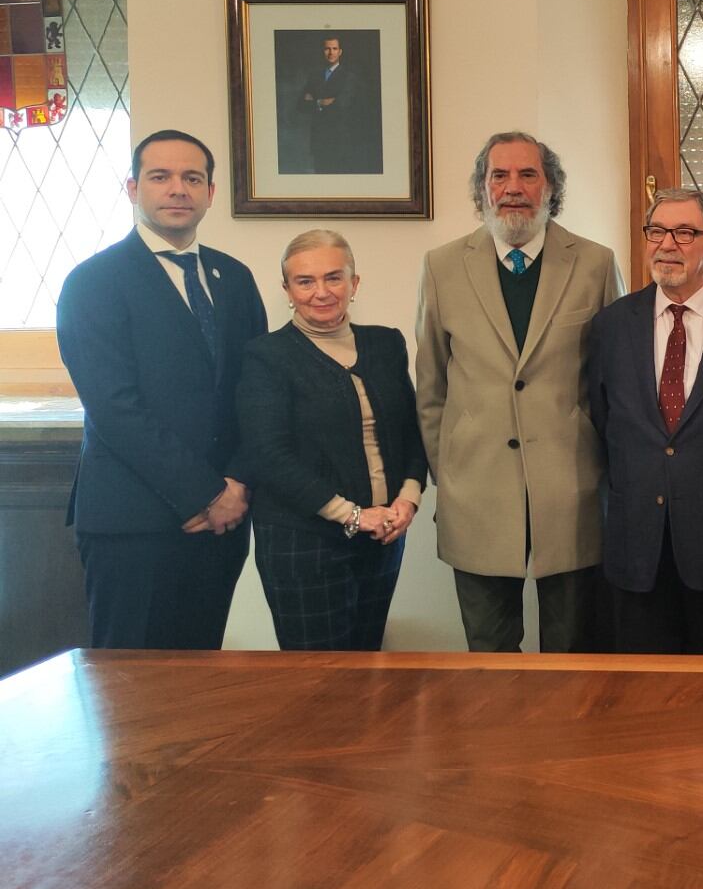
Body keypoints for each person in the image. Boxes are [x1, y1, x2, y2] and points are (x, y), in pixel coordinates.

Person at [55, 129, 267, 649]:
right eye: (160, 176)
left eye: (192, 178)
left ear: (210, 193)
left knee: (198, 688)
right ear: (132, 188)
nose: (178, 189)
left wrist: (236, 485)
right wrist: (206, 493)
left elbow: (258, 391)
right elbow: (114, 407)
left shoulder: (234, 278)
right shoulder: (93, 282)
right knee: (131, 694)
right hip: (134, 523)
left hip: (223, 524)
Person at [416, 131, 624, 652]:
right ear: (482, 188)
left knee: (573, 654)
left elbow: (614, 381)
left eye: (528, 174)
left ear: (550, 186)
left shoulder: (595, 263)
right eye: (499, 176)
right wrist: (451, 472)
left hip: (571, 491)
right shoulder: (442, 266)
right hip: (477, 490)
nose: (513, 188)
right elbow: (432, 385)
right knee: (488, 658)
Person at [585, 187, 703, 654]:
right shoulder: (611, 325)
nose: (667, 244)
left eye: (685, 232)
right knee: (643, 703)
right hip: (636, 548)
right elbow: (605, 424)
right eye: (657, 231)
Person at [234, 230, 426, 651]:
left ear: (355, 283)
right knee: (318, 684)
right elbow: (269, 456)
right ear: (287, 290)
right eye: (305, 281)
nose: (321, 292)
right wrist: (352, 515)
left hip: (383, 537)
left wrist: (407, 499)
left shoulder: (386, 343)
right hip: (302, 544)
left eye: (334, 278)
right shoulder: (267, 356)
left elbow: (412, 431)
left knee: (367, 668)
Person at [299, 36, 376, 174]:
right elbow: (301, 105)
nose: (331, 52)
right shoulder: (314, 76)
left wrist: (314, 100)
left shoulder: (349, 77)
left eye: (334, 48)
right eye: (327, 48)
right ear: (322, 51)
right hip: (319, 141)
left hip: (339, 141)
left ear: (340, 52)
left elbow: (341, 105)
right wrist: (321, 102)